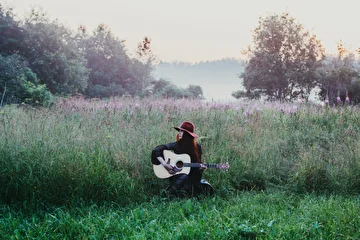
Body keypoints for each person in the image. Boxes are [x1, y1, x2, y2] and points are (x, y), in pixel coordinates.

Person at [151, 121, 208, 197]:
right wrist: (165, 164)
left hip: (192, 177)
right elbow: (156, 150)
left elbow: (198, 167)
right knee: (184, 177)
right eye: (179, 131)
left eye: (182, 131)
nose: (179, 133)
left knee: (190, 185)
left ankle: (178, 195)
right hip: (177, 175)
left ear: (187, 134)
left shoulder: (197, 147)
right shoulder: (177, 145)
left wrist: (201, 169)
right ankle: (168, 194)